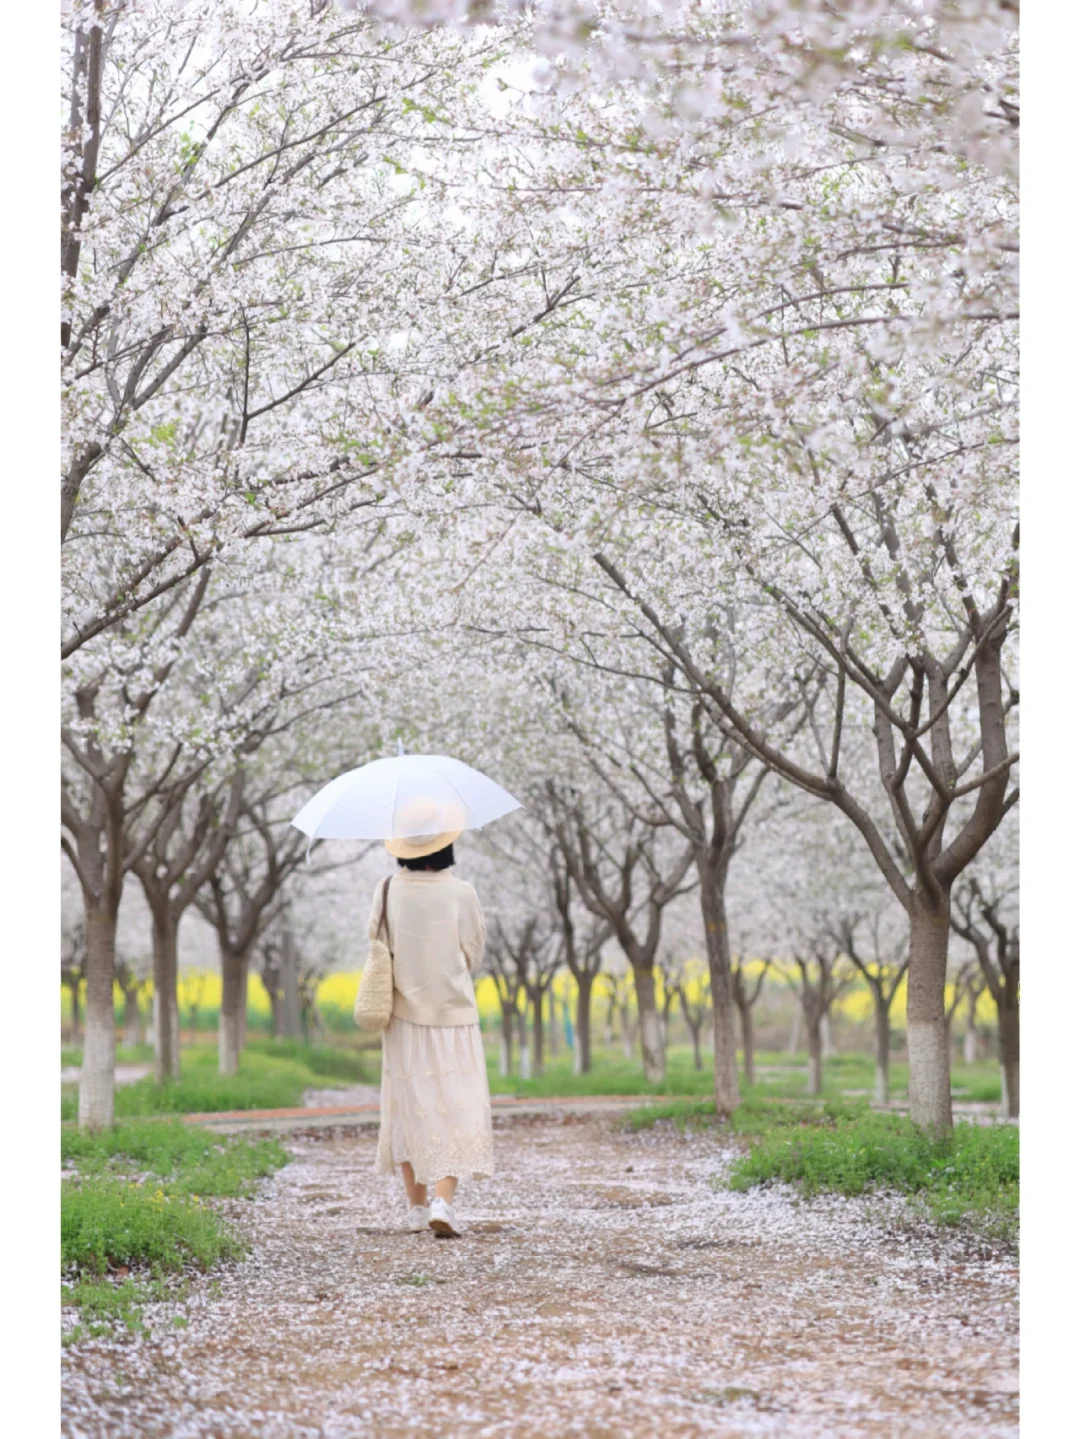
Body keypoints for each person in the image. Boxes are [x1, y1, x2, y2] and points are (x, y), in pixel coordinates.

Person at [371, 826, 494, 1236]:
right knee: (456, 1105)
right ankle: (444, 1202)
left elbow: (376, 943)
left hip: (403, 1018)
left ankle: (416, 1209)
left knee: (410, 1106)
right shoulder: (462, 892)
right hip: (453, 1018)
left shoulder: (387, 890)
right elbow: (474, 950)